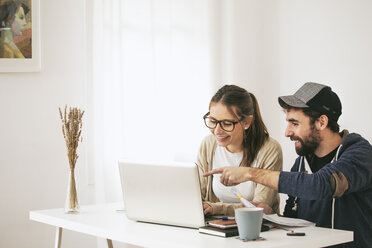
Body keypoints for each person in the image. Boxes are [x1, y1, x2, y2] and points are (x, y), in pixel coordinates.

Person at [204, 82, 372, 248]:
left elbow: (321, 184)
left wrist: (250, 173)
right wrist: (272, 217)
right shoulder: (302, 162)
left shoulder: (359, 154)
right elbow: (295, 221)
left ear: (321, 122)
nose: (287, 132)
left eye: (295, 123)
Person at [197, 84, 283, 217]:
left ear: (246, 122)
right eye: (213, 121)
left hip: (258, 228)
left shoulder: (270, 149)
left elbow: (260, 207)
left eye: (226, 123)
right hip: (217, 225)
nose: (217, 131)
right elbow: (197, 198)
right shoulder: (208, 144)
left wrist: (216, 208)